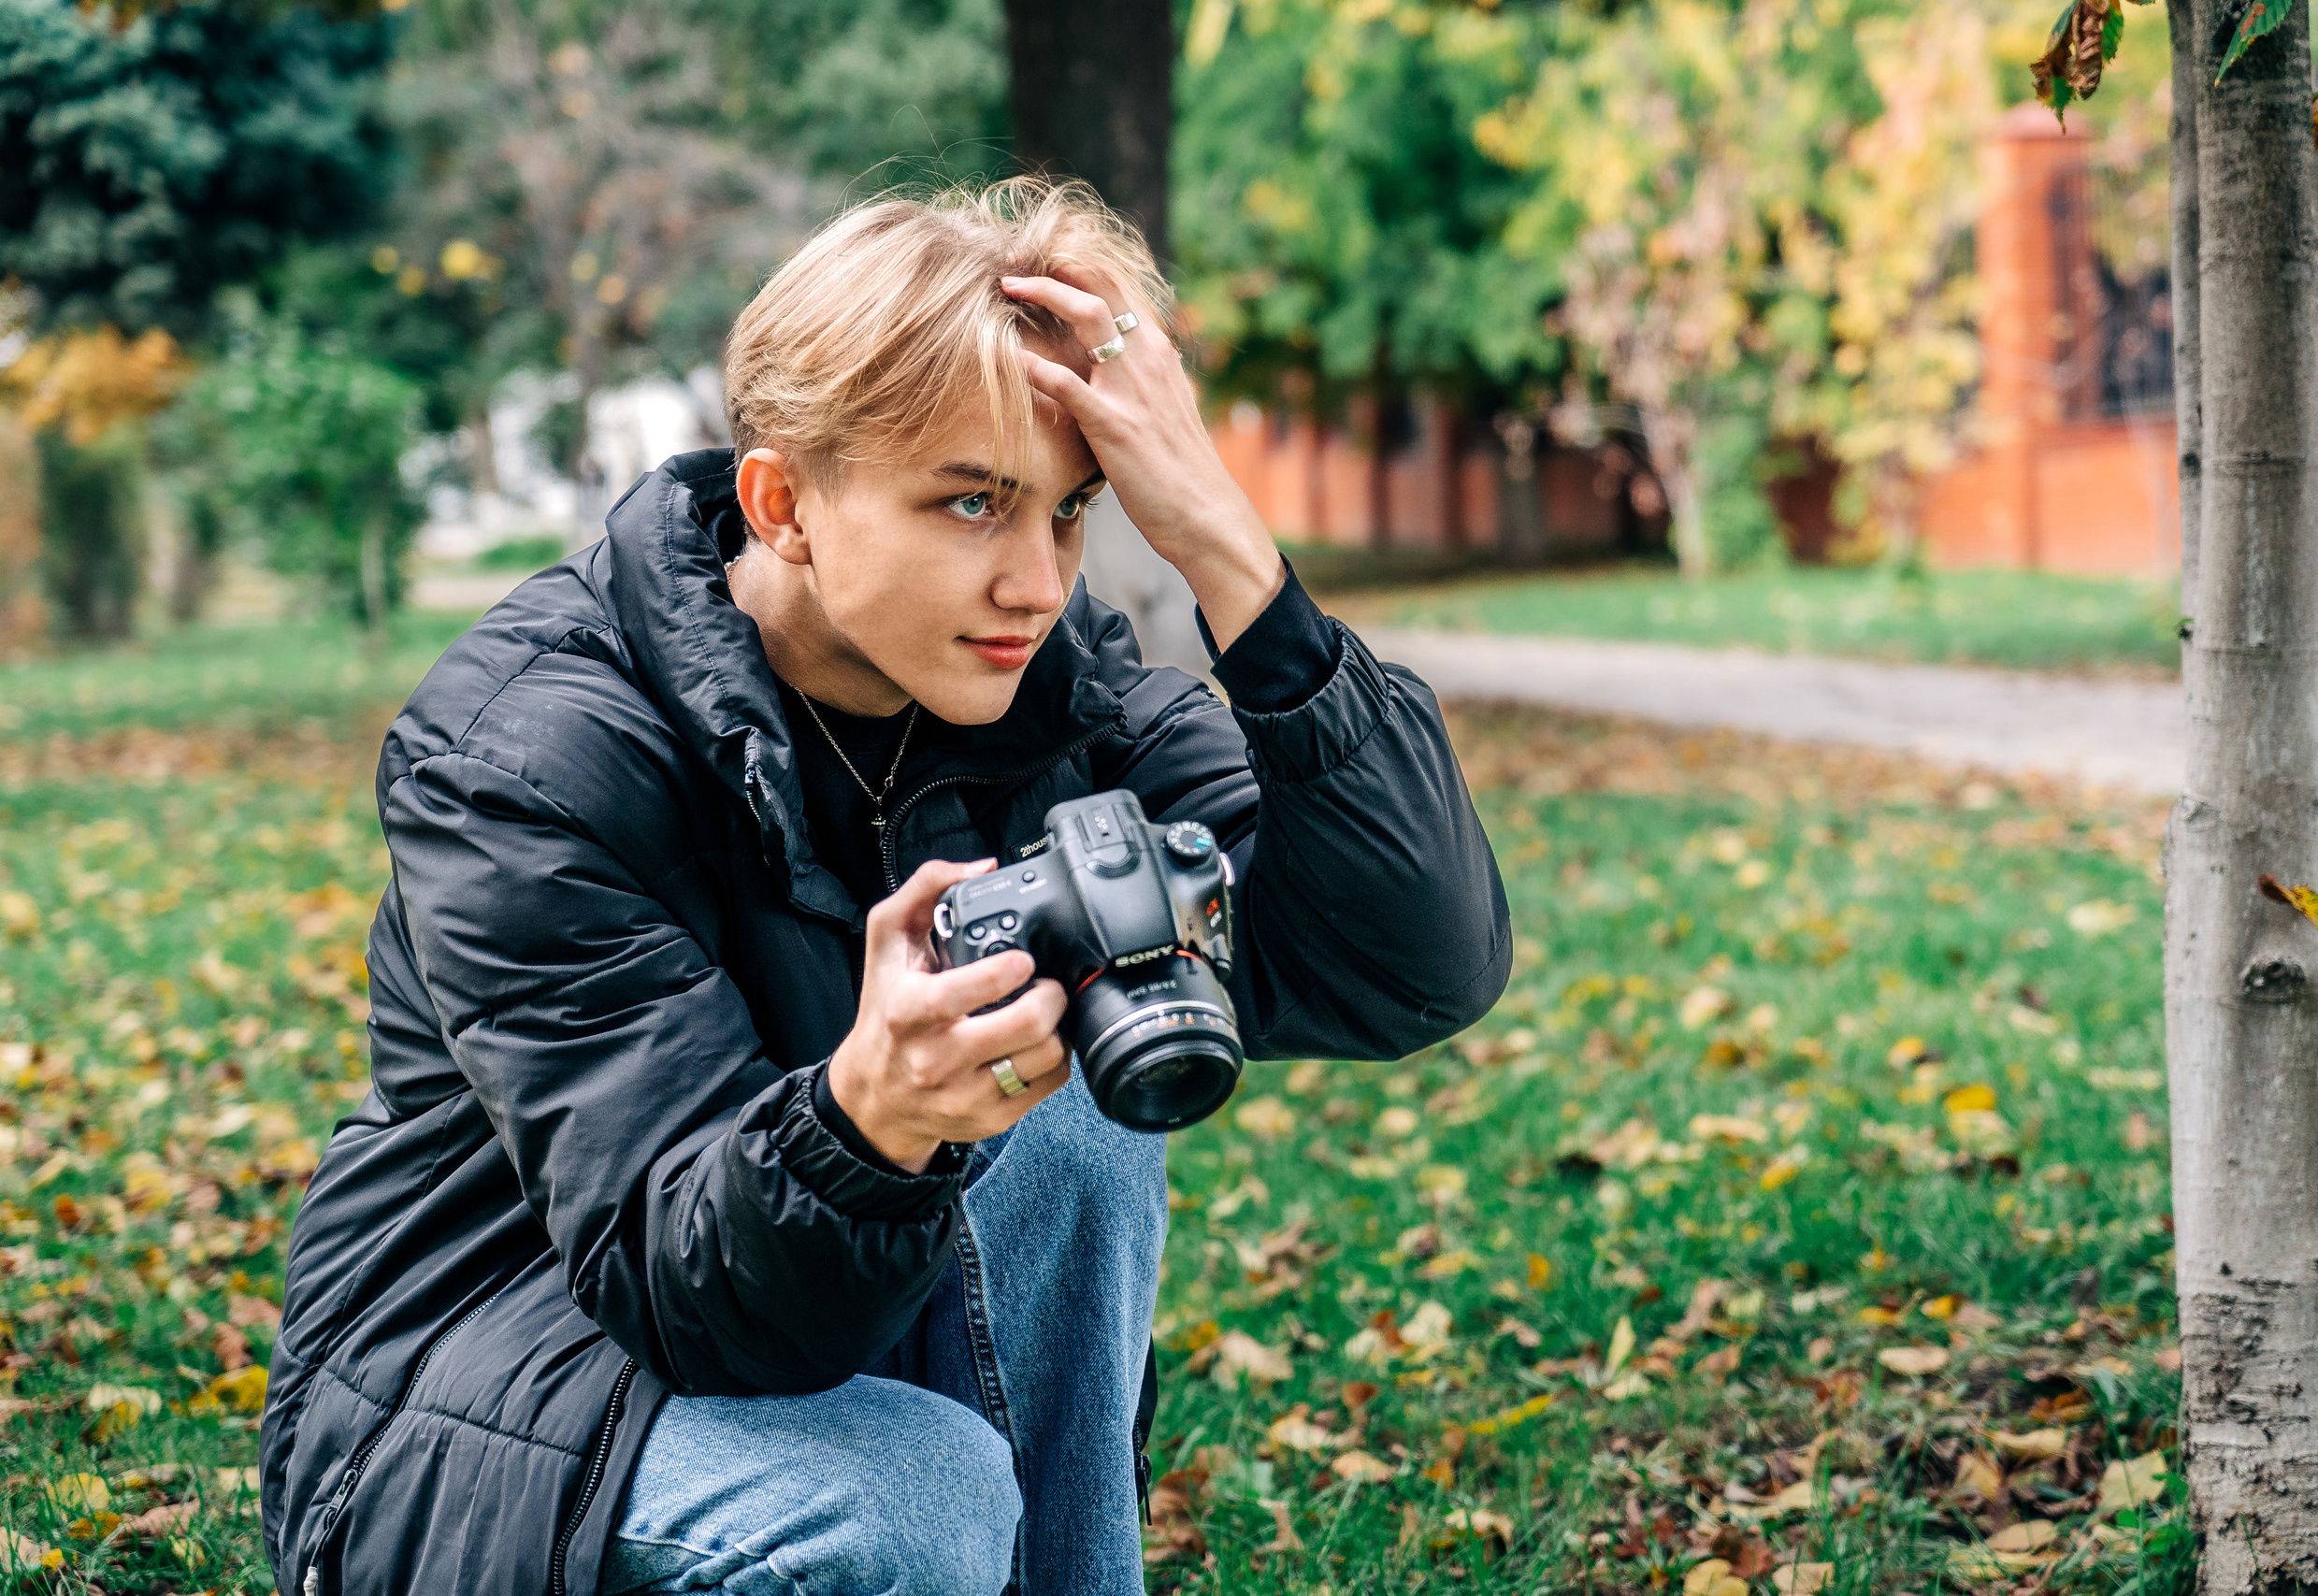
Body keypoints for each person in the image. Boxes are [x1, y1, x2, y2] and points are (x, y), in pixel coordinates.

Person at [259, 178, 1510, 1596]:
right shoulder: (527, 754)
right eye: (974, 503)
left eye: (1072, 511)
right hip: (480, 1405)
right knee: (909, 1503)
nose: (1036, 582)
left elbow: (1416, 963)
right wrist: (868, 1119)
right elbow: (679, 1289)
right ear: (782, 502)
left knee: (1080, 1105)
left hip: (805, 1311)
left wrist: (1226, 544)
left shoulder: (1057, 698)